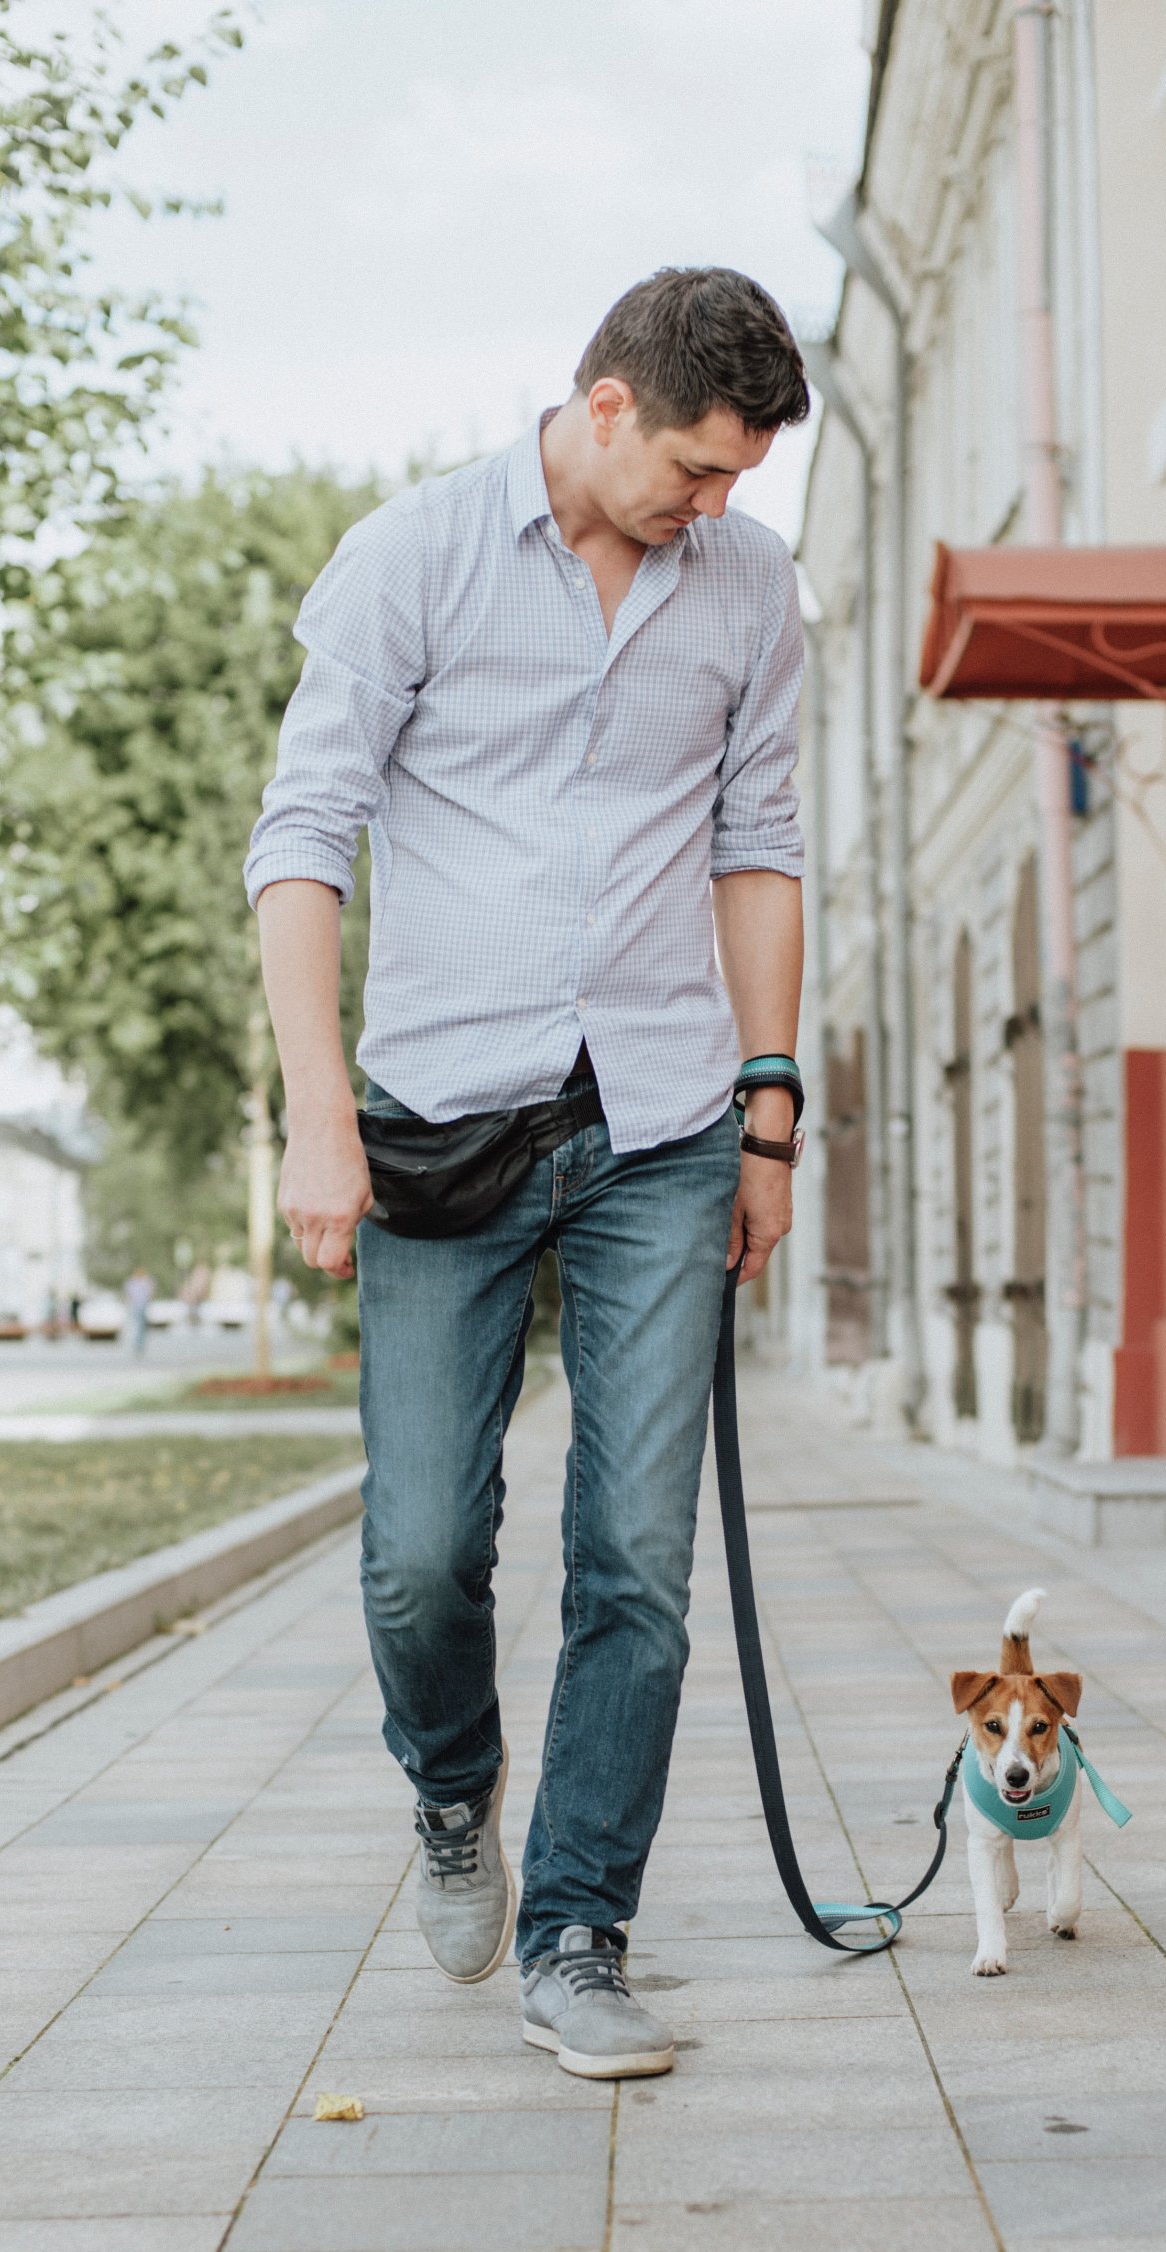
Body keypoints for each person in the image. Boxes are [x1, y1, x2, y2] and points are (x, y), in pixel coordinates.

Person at [250, 268, 808, 2082]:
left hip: (661, 1120)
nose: (714, 510)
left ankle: (580, 1929)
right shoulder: (411, 556)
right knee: (422, 1555)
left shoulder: (752, 592)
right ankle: (453, 1790)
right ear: (602, 404)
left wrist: (771, 1111)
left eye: (740, 481)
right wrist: (316, 1113)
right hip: (438, 1122)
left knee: (634, 1555)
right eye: (696, 472)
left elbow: (761, 840)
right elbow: (305, 835)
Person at [123, 1265, 155, 1355]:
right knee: (139, 1326)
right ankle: (138, 1344)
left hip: (142, 1305)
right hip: (137, 1306)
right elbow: (129, 1294)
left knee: (140, 1326)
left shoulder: (144, 1281)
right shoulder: (133, 1282)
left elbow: (150, 1290)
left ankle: (139, 1344)